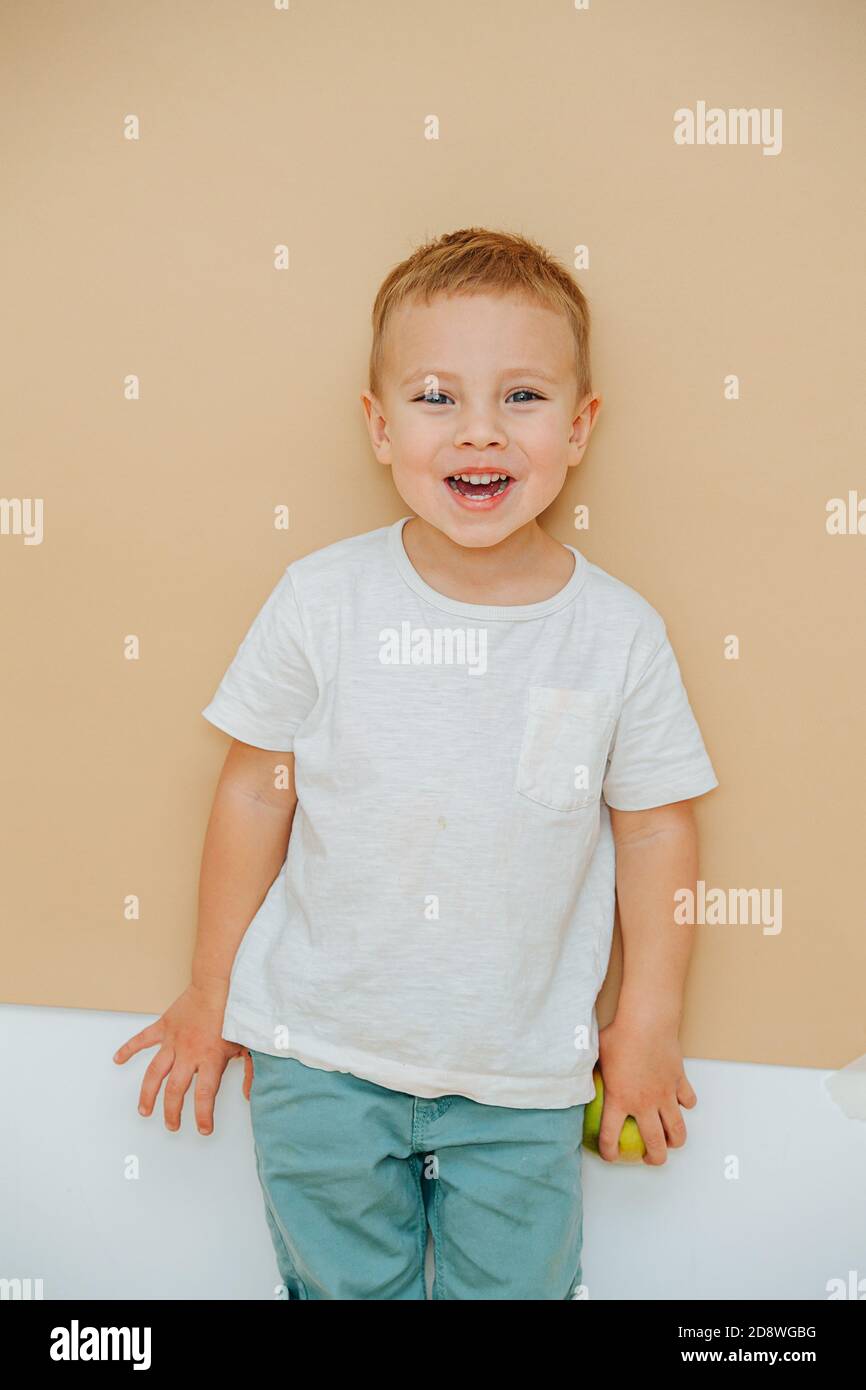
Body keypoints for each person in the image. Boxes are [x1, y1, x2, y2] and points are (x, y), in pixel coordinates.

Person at [114, 226, 719, 1299]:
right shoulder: (321, 600)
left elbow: (656, 826)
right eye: (436, 397)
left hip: (521, 1074)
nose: (478, 431)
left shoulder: (616, 634)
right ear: (377, 427)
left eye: (521, 397)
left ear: (578, 429)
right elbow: (255, 788)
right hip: (318, 1056)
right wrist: (210, 992)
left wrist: (647, 1023)